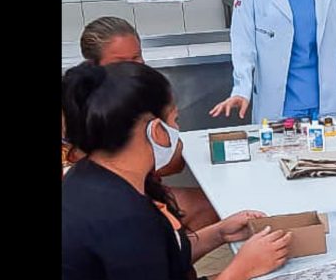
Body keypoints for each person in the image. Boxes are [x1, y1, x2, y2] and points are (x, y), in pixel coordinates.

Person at [62, 61, 306, 280]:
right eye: (175, 120)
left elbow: (148, 265)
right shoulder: (120, 216)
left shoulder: (93, 178)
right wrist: (241, 268)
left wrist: (219, 233)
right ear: (155, 130)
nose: (178, 129)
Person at [63, 16, 219, 231]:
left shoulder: (145, 91)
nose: (133, 67)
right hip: (102, 203)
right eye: (121, 62)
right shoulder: (77, 108)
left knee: (212, 205)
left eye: (137, 57)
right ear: (93, 65)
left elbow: (174, 162)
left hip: (142, 189)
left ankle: (181, 249)